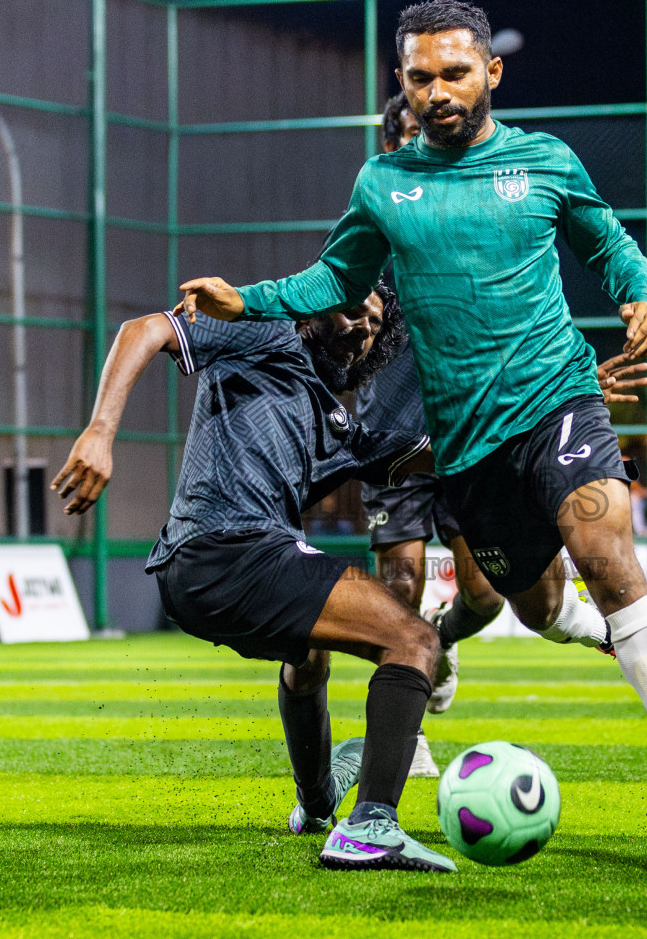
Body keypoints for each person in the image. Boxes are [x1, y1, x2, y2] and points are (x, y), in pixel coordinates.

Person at [179, 0, 647, 854]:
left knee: (605, 547)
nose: (438, 92)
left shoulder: (544, 161)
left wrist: (641, 291)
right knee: (536, 602)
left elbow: (606, 239)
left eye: (455, 73)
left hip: (558, 400)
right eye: (420, 78)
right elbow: (335, 280)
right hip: (468, 449)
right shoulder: (385, 185)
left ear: (491, 74)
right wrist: (246, 300)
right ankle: (440, 648)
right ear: (403, 86)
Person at [54, 280, 461, 872]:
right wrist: (100, 431)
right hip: (224, 548)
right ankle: (371, 827)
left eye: (373, 325)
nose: (361, 329)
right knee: (415, 640)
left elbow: (438, 452)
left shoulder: (337, 425)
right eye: (351, 311)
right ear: (315, 307)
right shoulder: (264, 330)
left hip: (204, 570)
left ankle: (318, 802)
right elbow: (144, 329)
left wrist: (546, 415)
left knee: (310, 654)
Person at [360, 92, 647, 776]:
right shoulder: (376, 218)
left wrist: (563, 383)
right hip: (396, 441)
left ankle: (443, 637)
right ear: (391, 142)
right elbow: (346, 329)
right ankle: (410, 738)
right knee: (399, 585)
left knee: (487, 598)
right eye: (407, 133)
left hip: (474, 434)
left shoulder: (479, 214)